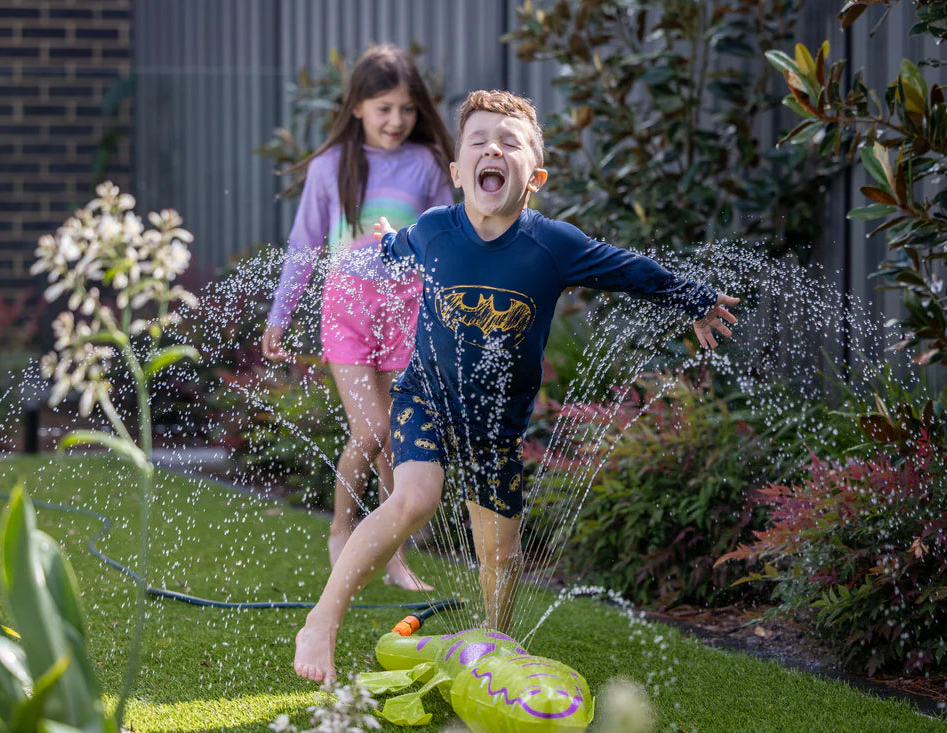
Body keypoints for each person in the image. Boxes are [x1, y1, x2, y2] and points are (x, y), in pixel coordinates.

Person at [293, 89, 740, 683]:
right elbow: (392, 250)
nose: (492, 150)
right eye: (477, 142)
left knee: (500, 551)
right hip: (424, 396)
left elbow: (628, 267)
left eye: (509, 143)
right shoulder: (433, 231)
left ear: (535, 176)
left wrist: (696, 298)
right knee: (415, 497)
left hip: (498, 422)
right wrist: (376, 247)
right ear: (458, 172)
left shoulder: (553, 245)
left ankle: (496, 643)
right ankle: (322, 619)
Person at [262, 45, 454, 591]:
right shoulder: (330, 168)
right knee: (369, 432)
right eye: (384, 108)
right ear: (357, 108)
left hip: (406, 313)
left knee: (396, 438)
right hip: (347, 314)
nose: (396, 120)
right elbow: (303, 246)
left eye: (407, 109)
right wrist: (281, 315)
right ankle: (342, 531)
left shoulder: (426, 165)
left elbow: (444, 240)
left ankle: (392, 556)